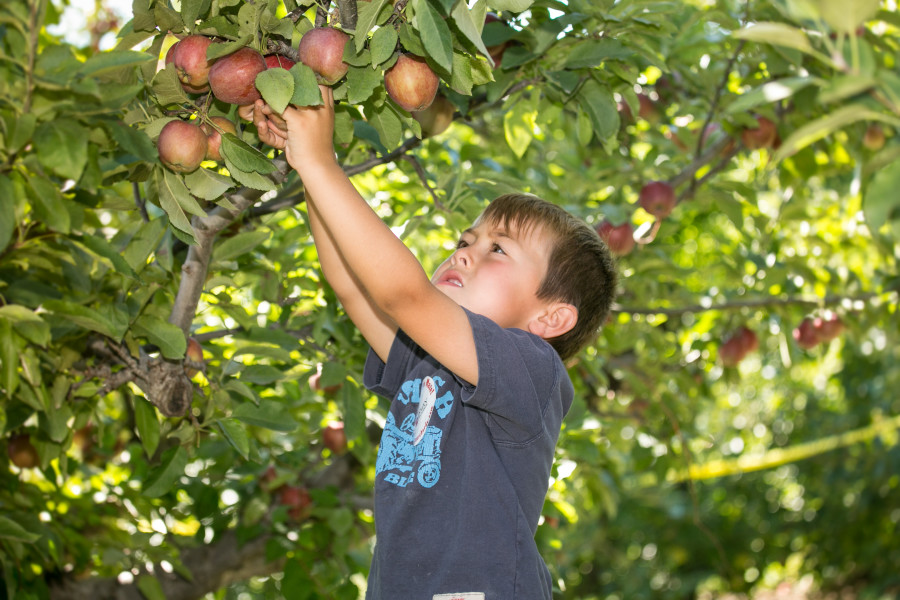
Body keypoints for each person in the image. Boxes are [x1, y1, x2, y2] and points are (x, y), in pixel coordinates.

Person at [251, 88, 618, 600]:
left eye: (497, 250)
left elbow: (404, 295)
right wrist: (305, 164)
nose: (464, 253)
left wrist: (322, 161)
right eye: (466, 241)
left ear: (549, 317)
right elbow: (355, 289)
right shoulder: (429, 361)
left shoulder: (530, 368)